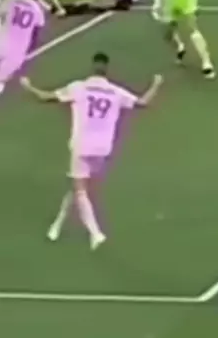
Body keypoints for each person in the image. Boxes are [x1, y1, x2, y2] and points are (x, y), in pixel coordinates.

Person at [20, 53, 162, 249]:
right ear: (107, 69)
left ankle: (95, 233)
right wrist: (156, 84)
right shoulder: (115, 92)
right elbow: (143, 102)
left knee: (80, 191)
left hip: (81, 145)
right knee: (80, 186)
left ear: (93, 67)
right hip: (103, 148)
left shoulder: (78, 88)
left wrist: (28, 87)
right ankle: (58, 223)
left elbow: (45, 97)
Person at [0, 0, 46, 96]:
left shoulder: (10, 0)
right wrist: (28, 51)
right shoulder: (36, 7)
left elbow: (0, 12)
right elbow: (37, 32)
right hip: (18, 51)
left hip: (2, 42)